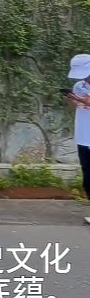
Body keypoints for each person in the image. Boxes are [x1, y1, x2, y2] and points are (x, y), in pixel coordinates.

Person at [63, 53, 90, 225]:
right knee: (87, 174)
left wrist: (82, 99)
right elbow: (75, 108)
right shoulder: (78, 86)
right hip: (83, 135)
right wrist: (71, 100)